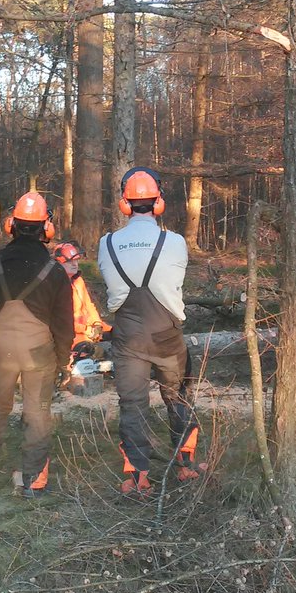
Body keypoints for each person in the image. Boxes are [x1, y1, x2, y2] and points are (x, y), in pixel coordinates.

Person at [0, 192, 73, 498]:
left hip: (1, 348)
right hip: (39, 351)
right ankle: (34, 480)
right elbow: (64, 325)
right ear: (46, 229)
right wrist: (63, 361)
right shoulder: (56, 270)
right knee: (37, 412)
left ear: (10, 224)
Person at [98, 167, 201, 495]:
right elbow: (174, 285)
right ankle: (186, 465)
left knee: (132, 405)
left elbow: (114, 297)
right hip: (166, 335)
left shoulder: (107, 243)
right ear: (158, 203)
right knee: (179, 397)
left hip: (127, 334)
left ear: (124, 205)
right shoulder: (175, 242)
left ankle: (137, 476)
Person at [54, 241, 112, 348]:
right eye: (70, 261)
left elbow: (89, 305)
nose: (74, 264)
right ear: (59, 263)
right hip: (72, 334)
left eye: (76, 260)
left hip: (88, 328)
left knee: (119, 334)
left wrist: (97, 324)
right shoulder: (55, 286)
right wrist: (86, 329)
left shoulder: (78, 281)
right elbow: (61, 321)